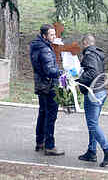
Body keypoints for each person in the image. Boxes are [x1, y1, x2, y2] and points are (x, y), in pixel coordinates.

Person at [76, 34, 108, 167]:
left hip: (93, 93)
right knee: (93, 123)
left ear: (85, 43)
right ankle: (91, 152)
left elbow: (92, 73)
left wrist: (78, 79)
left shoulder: (89, 54)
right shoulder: (97, 54)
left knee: (92, 124)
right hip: (101, 91)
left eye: (83, 44)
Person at [30, 24, 64, 156]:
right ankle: (49, 145)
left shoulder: (37, 45)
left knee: (43, 113)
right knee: (50, 115)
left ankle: (40, 142)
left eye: (55, 34)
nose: (54, 37)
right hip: (49, 86)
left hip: (41, 84)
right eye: (51, 34)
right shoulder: (44, 49)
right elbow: (49, 70)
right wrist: (61, 72)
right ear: (44, 36)